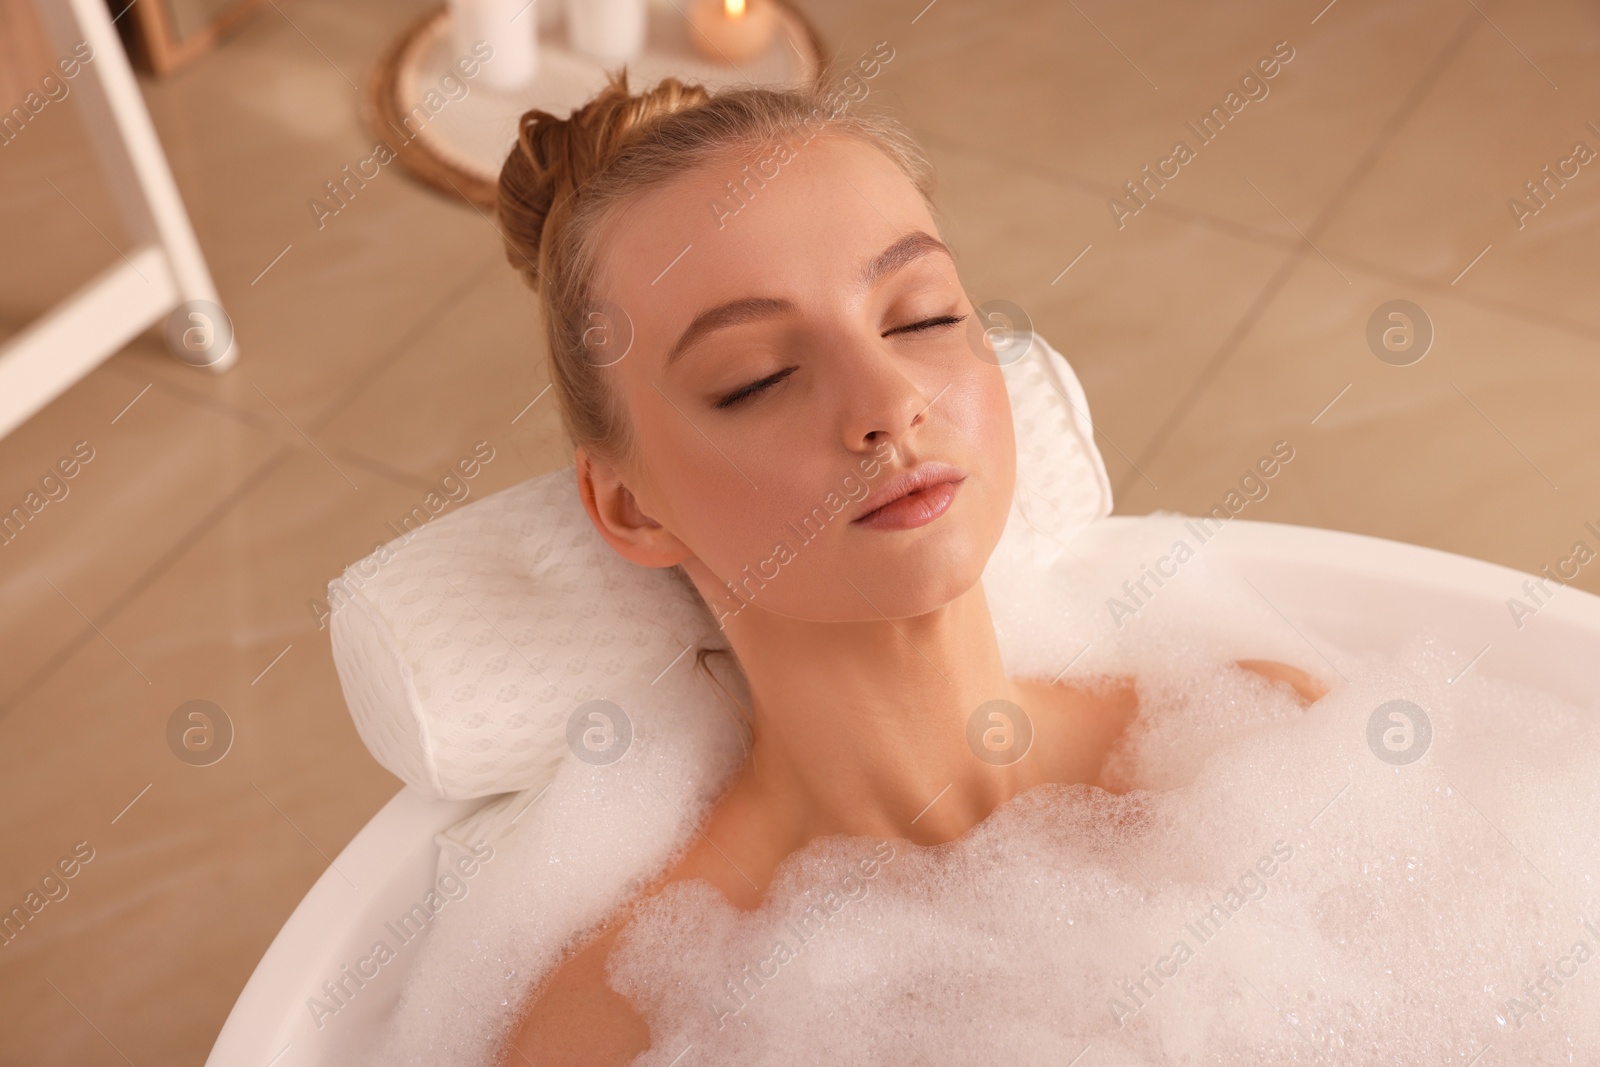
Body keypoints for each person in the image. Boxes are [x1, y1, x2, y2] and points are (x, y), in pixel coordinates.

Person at [492, 69, 1326, 1066]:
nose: (888, 398)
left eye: (920, 316)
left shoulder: (1258, 752)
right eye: (757, 377)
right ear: (629, 506)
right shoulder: (629, 1023)